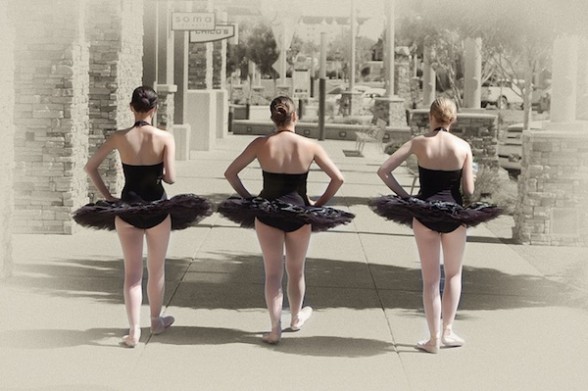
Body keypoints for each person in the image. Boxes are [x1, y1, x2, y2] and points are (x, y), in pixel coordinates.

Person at [74, 86, 212, 347]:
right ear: (155, 108)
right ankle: (156, 320)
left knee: (132, 274)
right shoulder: (164, 138)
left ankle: (134, 330)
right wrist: (159, 173)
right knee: (156, 270)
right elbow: (171, 178)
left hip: (126, 210)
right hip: (158, 209)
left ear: (131, 107)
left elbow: (90, 167)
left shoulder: (119, 137)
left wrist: (109, 196)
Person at [219, 96, 354, 344]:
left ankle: (274, 329)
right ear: (295, 117)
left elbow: (231, 173)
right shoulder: (310, 146)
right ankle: (294, 318)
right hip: (299, 214)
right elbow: (338, 179)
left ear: (273, 118)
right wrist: (317, 204)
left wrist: (250, 198)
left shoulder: (261, 144)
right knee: (296, 270)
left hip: (267, 212)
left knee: (272, 273)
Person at [370, 97, 499, 354]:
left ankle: (433, 338)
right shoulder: (463, 146)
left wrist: (407, 198)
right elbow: (469, 190)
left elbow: (384, 170)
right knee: (453, 274)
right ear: (453, 119)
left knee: (430, 280)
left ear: (431, 117)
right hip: (454, 215)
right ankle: (448, 331)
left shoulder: (419, 142)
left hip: (424, 213)